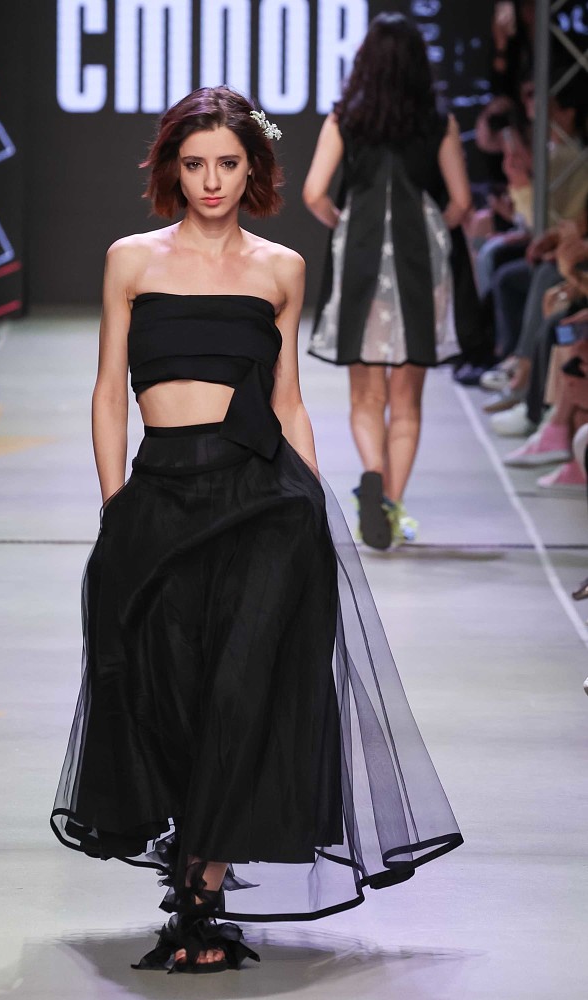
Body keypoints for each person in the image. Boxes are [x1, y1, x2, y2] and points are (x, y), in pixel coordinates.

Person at [51, 85, 462, 974]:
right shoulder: (130, 260)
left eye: (227, 164)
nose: (211, 181)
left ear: (252, 170)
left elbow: (288, 403)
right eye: (195, 164)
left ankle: (200, 888)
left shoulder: (280, 269)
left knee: (242, 690)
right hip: (158, 496)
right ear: (172, 169)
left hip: (260, 501)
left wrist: (312, 507)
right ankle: (189, 844)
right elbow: (108, 389)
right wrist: (113, 502)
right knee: (162, 685)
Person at [303, 13, 472, 549]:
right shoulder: (438, 123)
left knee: (366, 394)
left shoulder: (345, 119)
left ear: (366, 62)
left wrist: (345, 225)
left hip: (362, 256)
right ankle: (391, 509)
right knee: (407, 400)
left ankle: (372, 476)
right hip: (420, 261)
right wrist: (435, 232)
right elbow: (462, 201)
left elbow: (313, 193)